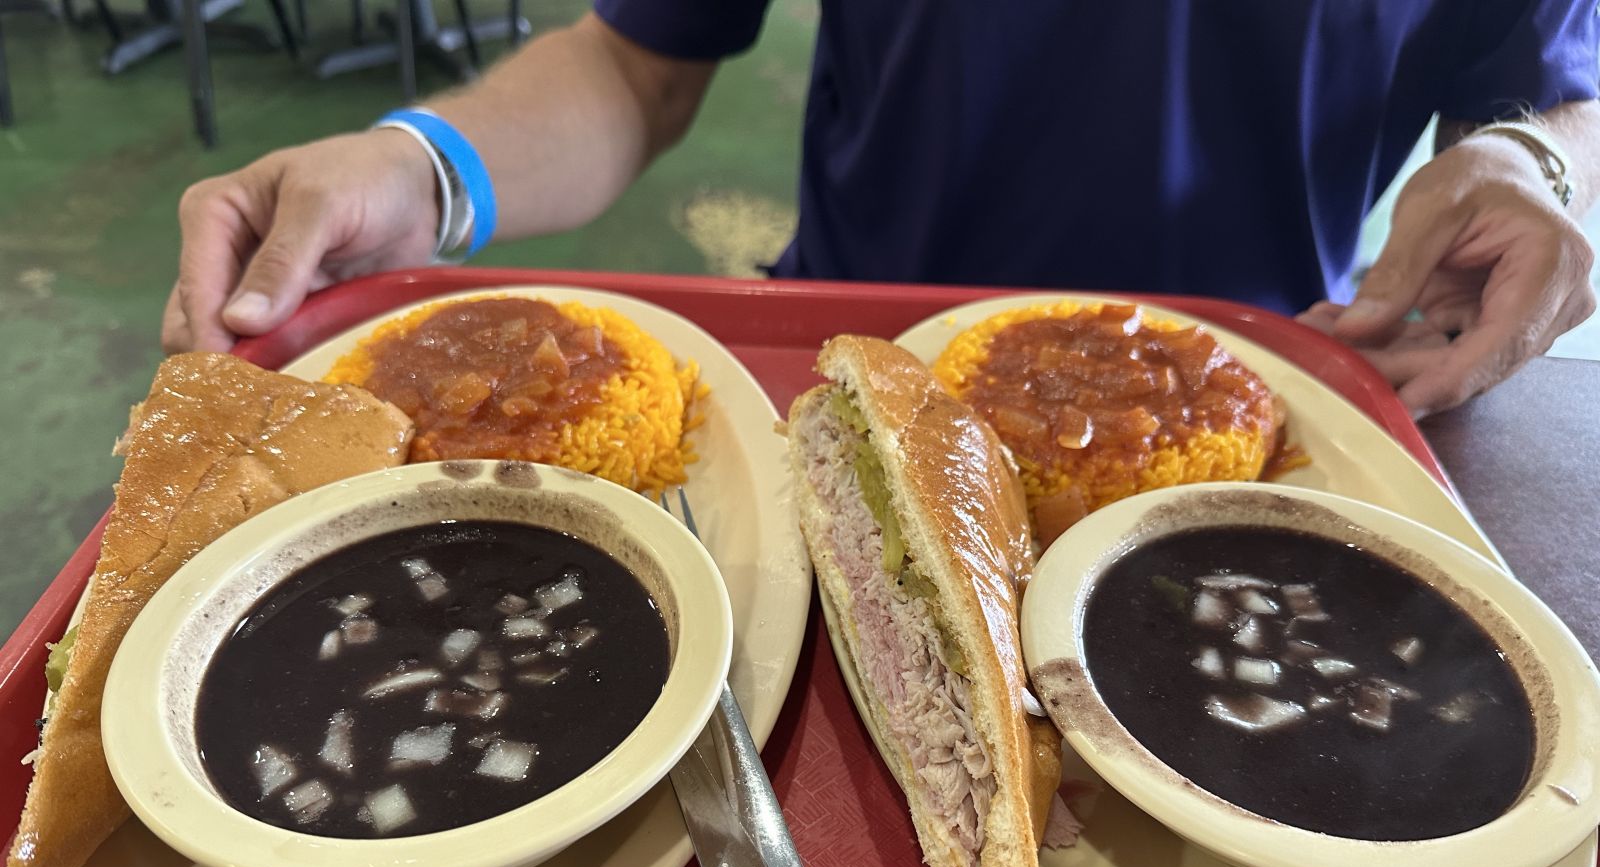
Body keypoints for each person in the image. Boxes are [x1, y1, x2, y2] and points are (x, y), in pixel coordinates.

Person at [163, 2, 1600, 415]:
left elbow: (1534, 95)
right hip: (845, 371)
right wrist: (423, 164)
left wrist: (1536, 170)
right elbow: (636, 66)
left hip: (1257, 387)